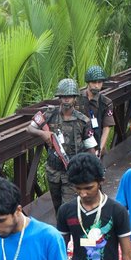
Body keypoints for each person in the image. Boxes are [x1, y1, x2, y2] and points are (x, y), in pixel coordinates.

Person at [26, 78, 96, 214]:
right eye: (63, 97)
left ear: (75, 98)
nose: (66, 100)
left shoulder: (83, 121)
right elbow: (29, 129)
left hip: (72, 171)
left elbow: (90, 147)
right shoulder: (50, 115)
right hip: (53, 171)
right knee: (58, 209)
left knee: (67, 209)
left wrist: (94, 173)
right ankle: (63, 232)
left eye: (69, 97)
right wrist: (43, 134)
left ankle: (68, 232)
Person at [79, 66, 116, 157]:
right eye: (94, 82)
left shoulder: (106, 102)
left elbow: (106, 127)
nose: (97, 85)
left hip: (96, 143)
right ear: (88, 82)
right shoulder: (77, 98)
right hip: (78, 144)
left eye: (100, 82)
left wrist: (99, 149)